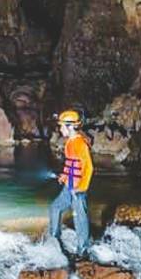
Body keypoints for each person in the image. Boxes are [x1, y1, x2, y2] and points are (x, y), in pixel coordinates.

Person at [48, 109, 93, 256]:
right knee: (55, 208)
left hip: (78, 189)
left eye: (62, 126)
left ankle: (83, 250)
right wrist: (65, 176)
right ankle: (54, 239)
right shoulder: (69, 144)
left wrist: (81, 188)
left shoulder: (81, 144)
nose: (60, 129)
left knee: (80, 218)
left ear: (71, 126)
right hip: (69, 186)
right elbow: (70, 164)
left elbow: (89, 167)